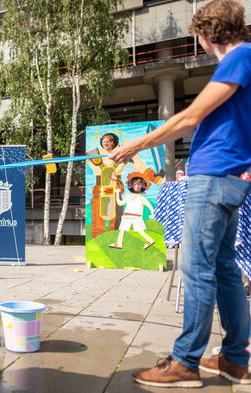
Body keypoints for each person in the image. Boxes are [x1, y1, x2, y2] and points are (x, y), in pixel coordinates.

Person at [110, 0, 251, 387]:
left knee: (197, 269)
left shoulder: (239, 58)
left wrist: (134, 145)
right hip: (227, 178)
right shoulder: (245, 61)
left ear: (207, 34)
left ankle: (186, 361)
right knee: (223, 268)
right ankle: (235, 360)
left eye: (199, 37)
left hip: (212, 178)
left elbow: (189, 118)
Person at [108, 173, 155, 250]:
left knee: (140, 231)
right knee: (122, 230)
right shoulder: (128, 196)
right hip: (127, 216)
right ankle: (119, 244)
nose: (136, 186)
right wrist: (117, 193)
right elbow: (120, 203)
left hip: (136, 217)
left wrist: (152, 214)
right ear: (132, 186)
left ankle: (150, 240)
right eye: (135, 184)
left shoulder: (142, 198)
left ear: (142, 186)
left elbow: (151, 208)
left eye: (139, 185)